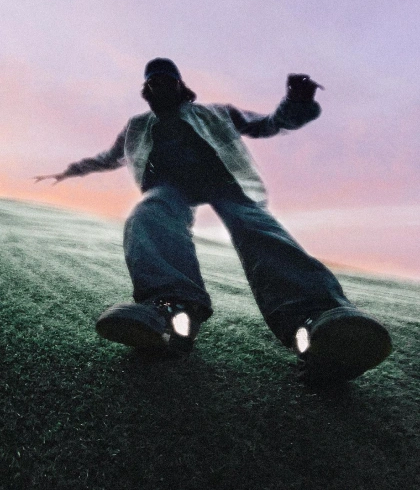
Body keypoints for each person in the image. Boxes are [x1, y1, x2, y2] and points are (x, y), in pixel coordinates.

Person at [35, 58, 392, 386]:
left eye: (167, 80)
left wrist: (295, 103)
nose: (160, 86)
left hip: (226, 183)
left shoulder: (216, 113)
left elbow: (267, 124)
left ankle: (317, 319)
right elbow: (108, 157)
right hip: (168, 186)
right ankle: (169, 311)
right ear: (146, 90)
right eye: (154, 82)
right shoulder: (137, 126)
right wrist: (67, 172)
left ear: (180, 85)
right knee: (149, 213)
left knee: (256, 227)